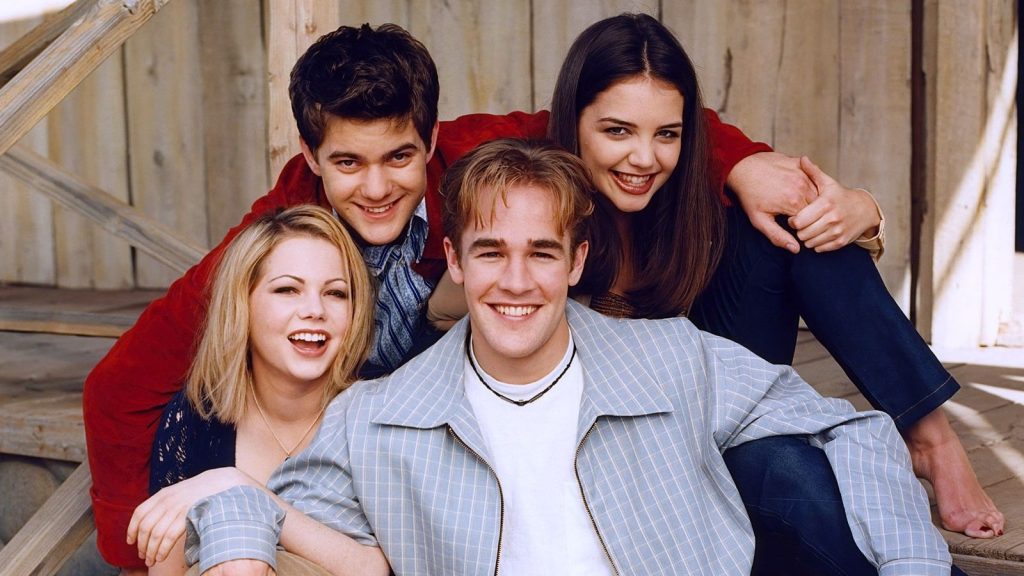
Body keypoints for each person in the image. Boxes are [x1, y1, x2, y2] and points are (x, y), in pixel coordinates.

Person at [83, 22, 816, 570]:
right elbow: (116, 388)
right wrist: (130, 545)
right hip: (366, 451)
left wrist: (742, 163)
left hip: (484, 407)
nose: (378, 186)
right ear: (311, 157)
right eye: (348, 162)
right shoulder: (281, 241)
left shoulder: (472, 160)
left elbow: (604, 122)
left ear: (431, 142)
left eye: (399, 156)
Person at [183, 139, 954, 575]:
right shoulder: (377, 416)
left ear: (577, 261)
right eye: (491, 252)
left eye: (542, 253)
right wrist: (227, 492)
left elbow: (849, 429)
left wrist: (914, 567)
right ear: (456, 261)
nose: (516, 282)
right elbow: (269, 515)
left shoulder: (670, 357)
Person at [543, 12, 1002, 541]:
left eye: (667, 133)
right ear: (572, 119)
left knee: (791, 217)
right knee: (789, 474)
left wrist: (861, 209)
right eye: (617, 130)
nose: (644, 158)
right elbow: (464, 148)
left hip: (713, 387)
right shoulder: (533, 174)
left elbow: (760, 175)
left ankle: (932, 441)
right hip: (618, 424)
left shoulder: (687, 185)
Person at [123, 205, 378, 573]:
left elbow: (379, 568)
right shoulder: (196, 419)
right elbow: (167, 569)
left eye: (336, 293)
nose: (315, 310)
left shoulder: (376, 413)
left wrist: (234, 485)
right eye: (288, 289)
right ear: (243, 302)